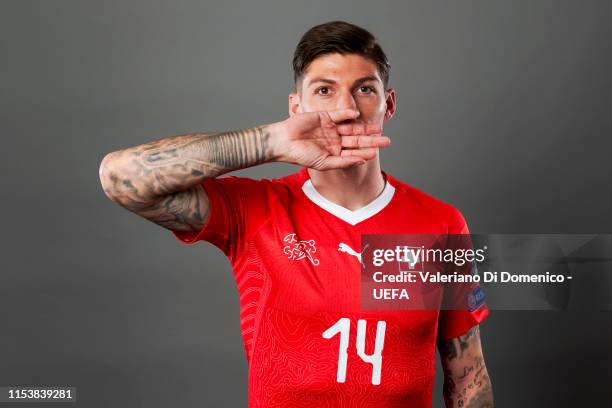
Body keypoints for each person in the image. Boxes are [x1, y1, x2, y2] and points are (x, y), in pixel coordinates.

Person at [99, 20, 493, 408]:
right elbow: (120, 177)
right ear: (296, 106)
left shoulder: (440, 224)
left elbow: (468, 380)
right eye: (325, 90)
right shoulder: (255, 210)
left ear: (388, 104)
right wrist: (272, 141)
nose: (346, 109)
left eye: (365, 89)